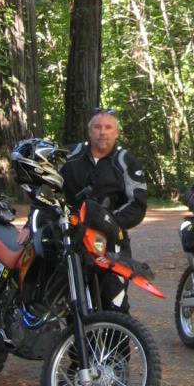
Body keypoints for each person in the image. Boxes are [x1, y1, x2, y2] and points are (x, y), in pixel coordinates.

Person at [61, 109, 148, 312]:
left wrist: (108, 222)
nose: (103, 132)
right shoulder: (69, 156)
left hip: (111, 242)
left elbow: (137, 204)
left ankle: (116, 343)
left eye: (108, 127)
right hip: (72, 239)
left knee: (114, 304)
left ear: (116, 133)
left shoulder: (125, 161)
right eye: (97, 127)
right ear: (89, 131)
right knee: (74, 302)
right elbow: (47, 189)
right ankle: (75, 344)